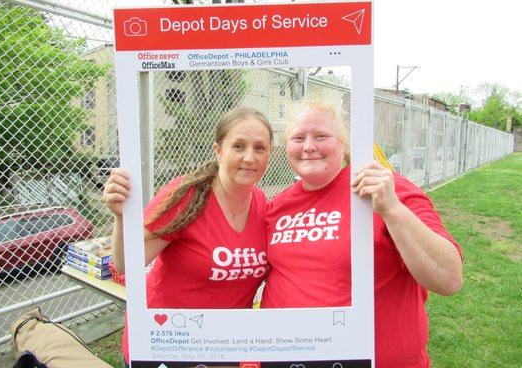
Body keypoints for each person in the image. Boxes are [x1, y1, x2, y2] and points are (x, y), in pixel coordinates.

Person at [261, 101, 463, 368]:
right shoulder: (277, 206)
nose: (309, 146)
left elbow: (448, 279)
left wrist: (391, 209)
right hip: (289, 358)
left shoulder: (388, 190)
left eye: (321, 136)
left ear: (343, 144)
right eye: (298, 138)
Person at [102, 107, 273, 366]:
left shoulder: (263, 204)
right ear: (218, 151)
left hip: (224, 346)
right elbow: (127, 263)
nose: (249, 157)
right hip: (168, 343)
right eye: (238, 146)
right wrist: (120, 216)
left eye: (259, 148)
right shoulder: (187, 196)